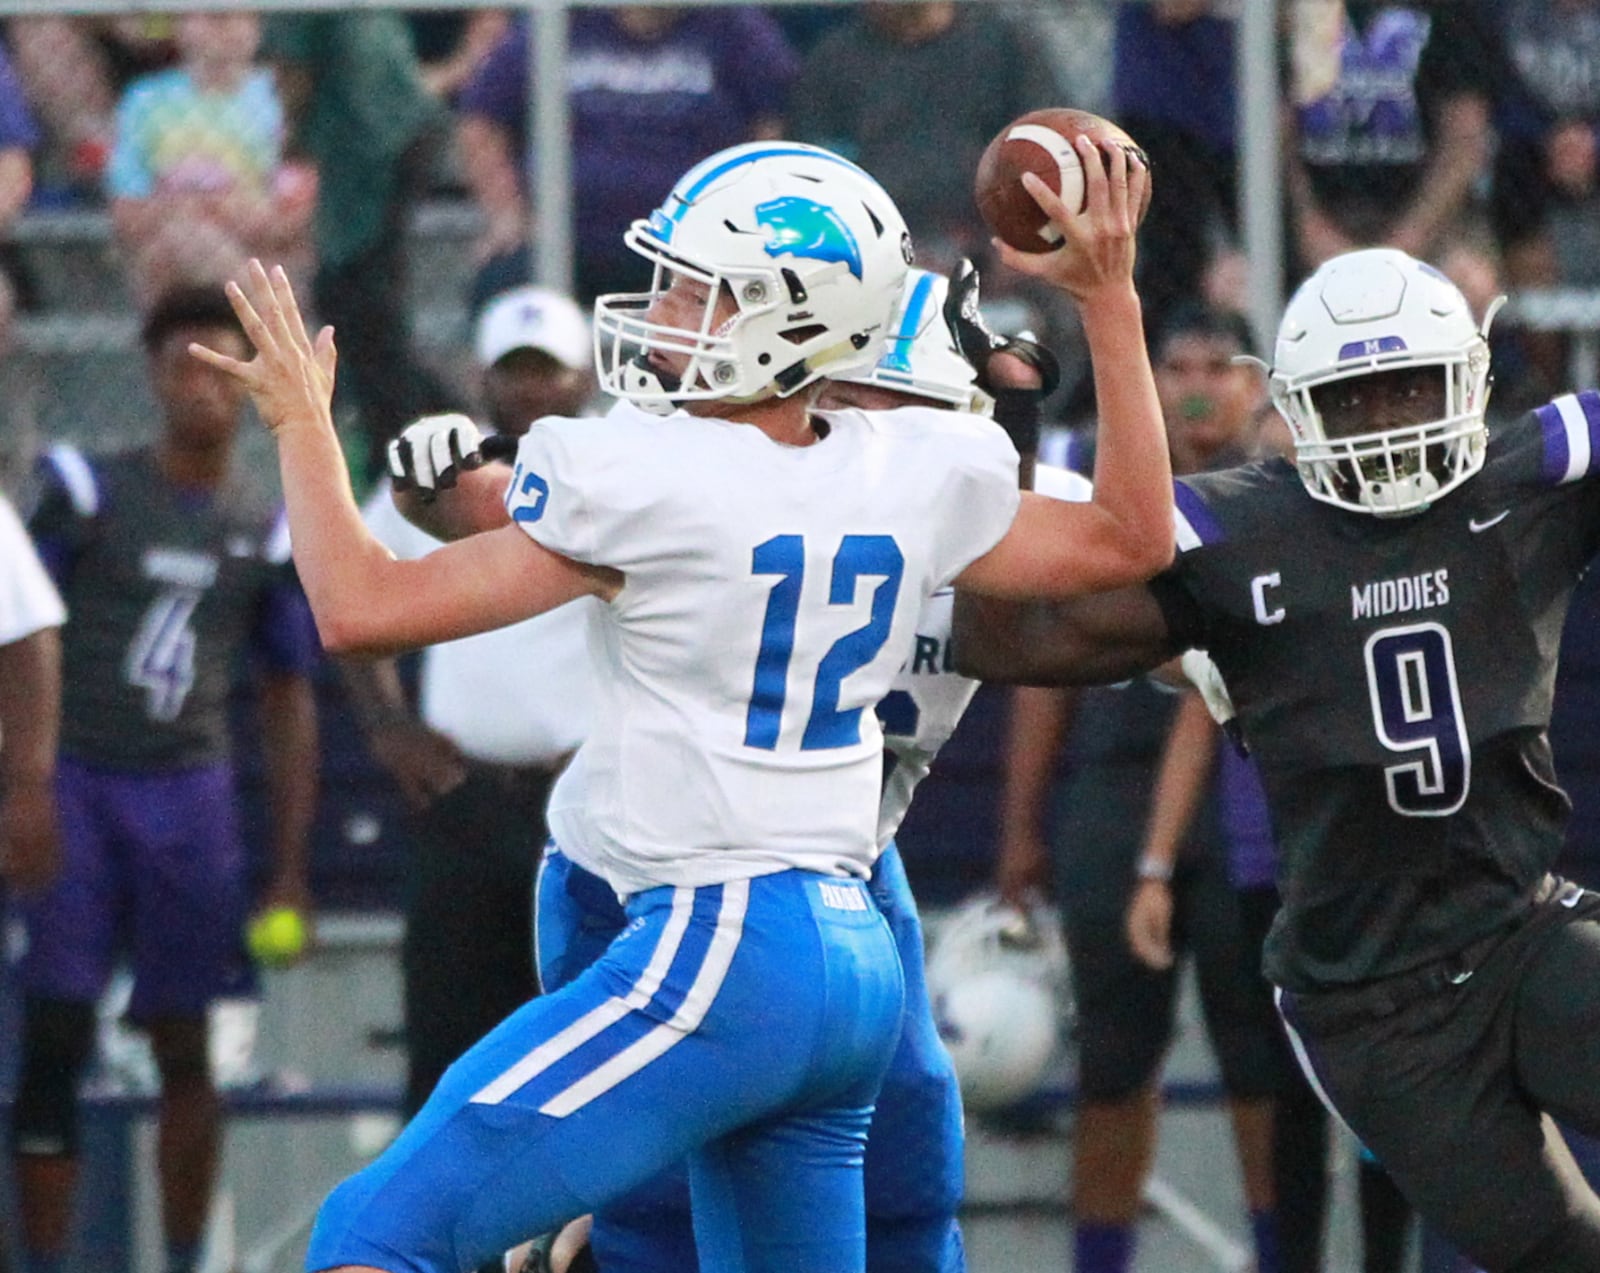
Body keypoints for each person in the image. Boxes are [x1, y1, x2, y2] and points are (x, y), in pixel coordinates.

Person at [191, 136, 1170, 1273]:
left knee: (372, 1234)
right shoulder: (911, 459)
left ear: (791, 315)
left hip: (720, 947)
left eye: (697, 287)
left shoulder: (645, 469)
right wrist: (1111, 297)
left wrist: (305, 428)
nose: (662, 306)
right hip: (852, 961)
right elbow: (1130, 535)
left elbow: (360, 606)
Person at [398, 262, 1079, 1273]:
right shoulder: (716, 485)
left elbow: (1148, 573)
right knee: (660, 1212)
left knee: (908, 1163)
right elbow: (488, 513)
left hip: (838, 864)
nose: (852, 423)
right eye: (838, 395)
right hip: (654, 869)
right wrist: (434, 492)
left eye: (887, 398)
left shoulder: (993, 501)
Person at [955, 244, 1600, 1271]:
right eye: (1356, 398)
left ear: (1470, 379)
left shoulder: (1529, 476)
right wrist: (1007, 434)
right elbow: (1009, 641)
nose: (1389, 423)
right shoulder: (1241, 530)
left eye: (1409, 388)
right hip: (1370, 1003)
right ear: (1297, 409)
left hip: (1518, 927)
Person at [10, 286, 322, 1273]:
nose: (201, 387)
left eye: (221, 367)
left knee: (189, 1047)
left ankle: (186, 1256)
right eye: (183, 364)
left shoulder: (260, 523)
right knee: (55, 1036)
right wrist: (21, 782)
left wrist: (287, 866)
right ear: (149, 373)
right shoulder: (86, 488)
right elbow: (20, 628)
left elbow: (288, 695)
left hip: (191, 792)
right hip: (78, 778)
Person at [994, 304, 1283, 1273]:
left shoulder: (1284, 487)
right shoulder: (1109, 483)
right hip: (1117, 785)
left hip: (1254, 789)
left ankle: (1281, 1254)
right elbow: (1042, 674)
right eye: (1177, 363)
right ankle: (1098, 1261)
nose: (1197, 381)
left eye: (1218, 361)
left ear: (1257, 382)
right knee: (1114, 1057)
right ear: (1148, 380)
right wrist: (1020, 830)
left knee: (1259, 1055)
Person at [341, 284, 598, 1118]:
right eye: (514, 372)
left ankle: (578, 1252)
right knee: (448, 1054)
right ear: (483, 379)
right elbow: (353, 586)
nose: (530, 391)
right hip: (466, 798)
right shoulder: (441, 478)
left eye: (547, 371)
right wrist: (388, 725)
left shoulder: (619, 475)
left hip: (585, 802)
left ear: (584, 376)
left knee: (583, 1056)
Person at [455, 5, 796, 309]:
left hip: (691, 244)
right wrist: (507, 213)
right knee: (503, 288)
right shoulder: (559, 21)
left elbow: (775, 121)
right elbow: (482, 118)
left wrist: (746, 219)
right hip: (569, 238)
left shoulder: (733, 25)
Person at [260, 11, 462, 478]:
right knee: (364, 308)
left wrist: (290, 132)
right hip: (391, 126)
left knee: (356, 303)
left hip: (370, 139)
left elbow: (293, 67)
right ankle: (430, 431)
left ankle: (406, 444)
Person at [107, 11, 314, 307]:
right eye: (211, 16)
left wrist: (229, 216)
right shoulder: (144, 101)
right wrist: (205, 212)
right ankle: (275, 327)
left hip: (264, 248)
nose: (225, 29)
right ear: (179, 24)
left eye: (235, 15)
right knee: (185, 241)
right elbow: (127, 210)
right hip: (171, 248)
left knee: (199, 242)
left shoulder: (282, 95)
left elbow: (301, 207)